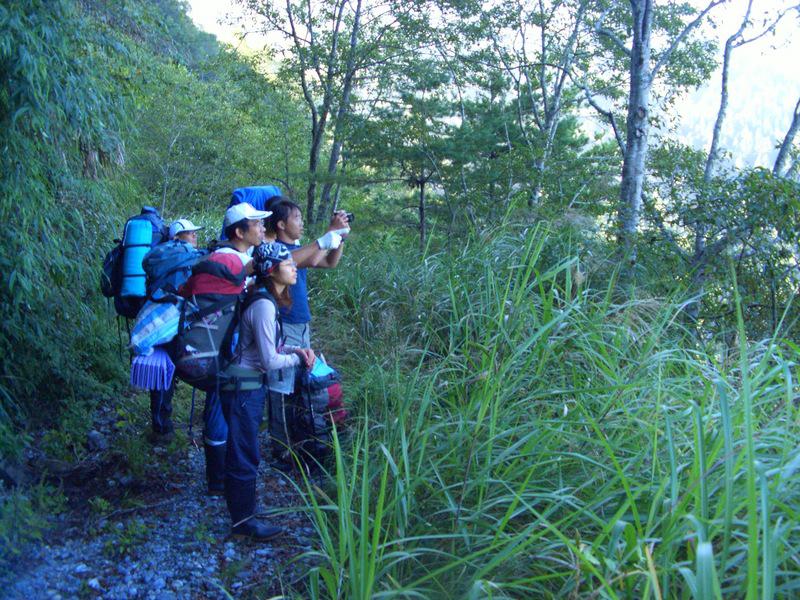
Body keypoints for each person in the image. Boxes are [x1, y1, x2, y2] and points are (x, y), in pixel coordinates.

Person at [219, 242, 316, 542]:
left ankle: (243, 514)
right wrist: (298, 359)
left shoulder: (263, 298)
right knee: (245, 452)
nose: (294, 267)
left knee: (245, 449)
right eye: (288, 264)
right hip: (243, 388)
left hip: (246, 385)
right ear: (271, 270)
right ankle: (243, 523)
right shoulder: (263, 305)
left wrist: (296, 350)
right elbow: (270, 361)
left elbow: (269, 347)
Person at [183, 203, 271, 495]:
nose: (262, 228)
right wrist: (325, 241)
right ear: (239, 232)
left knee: (219, 403)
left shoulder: (227, 257)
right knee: (222, 405)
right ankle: (221, 480)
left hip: (219, 342)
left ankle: (219, 478)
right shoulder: (231, 260)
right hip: (226, 343)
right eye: (256, 224)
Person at [263, 200, 349, 467]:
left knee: (301, 383)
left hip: (301, 323)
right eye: (297, 218)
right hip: (285, 324)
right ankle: (281, 449)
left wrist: (340, 237)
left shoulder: (297, 250)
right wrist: (329, 234)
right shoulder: (276, 251)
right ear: (281, 224)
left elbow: (329, 262)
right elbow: (308, 257)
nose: (301, 223)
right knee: (281, 386)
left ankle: (299, 440)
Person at [144, 218, 205, 444]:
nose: (195, 236)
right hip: (172, 320)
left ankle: (161, 424)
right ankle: (162, 428)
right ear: (178, 237)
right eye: (190, 233)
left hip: (158, 320)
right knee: (167, 371)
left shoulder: (164, 255)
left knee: (163, 369)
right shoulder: (181, 253)